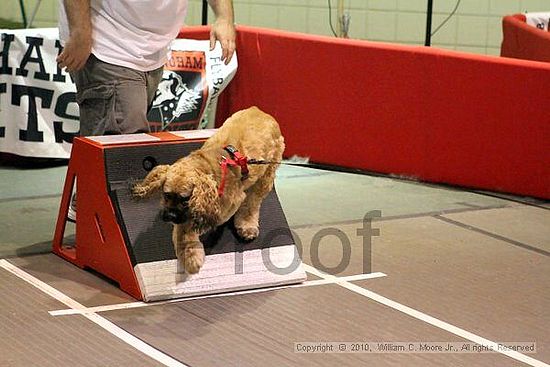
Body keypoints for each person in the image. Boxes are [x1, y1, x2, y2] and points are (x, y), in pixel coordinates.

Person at [57, 0, 236, 221]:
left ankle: (90, 203)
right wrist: (80, 32)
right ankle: (101, 219)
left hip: (152, 49)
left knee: (125, 146)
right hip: (106, 43)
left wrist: (224, 17)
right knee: (125, 148)